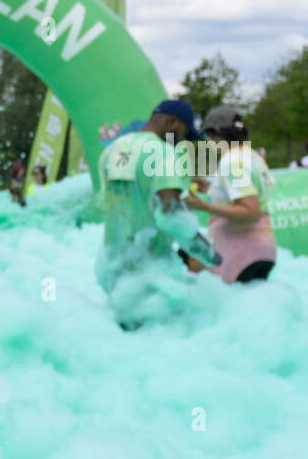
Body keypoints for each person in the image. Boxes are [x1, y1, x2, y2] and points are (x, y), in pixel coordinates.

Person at [95, 99, 221, 329]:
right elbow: (170, 214)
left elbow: (124, 201)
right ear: (173, 123)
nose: (181, 141)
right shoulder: (163, 153)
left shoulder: (111, 151)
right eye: (183, 134)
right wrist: (207, 252)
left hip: (113, 270)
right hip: (152, 278)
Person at [184, 105, 277, 284]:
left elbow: (251, 211)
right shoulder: (252, 156)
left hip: (241, 254)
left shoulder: (232, 162)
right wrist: (212, 188)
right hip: (262, 251)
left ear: (216, 132)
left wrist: (203, 206)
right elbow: (248, 195)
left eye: (207, 137)